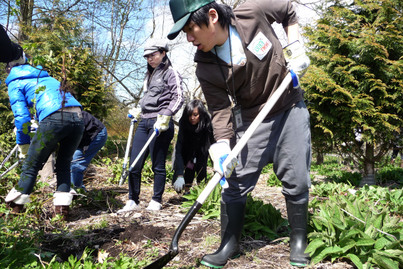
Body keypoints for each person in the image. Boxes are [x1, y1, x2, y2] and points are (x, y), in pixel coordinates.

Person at [168, 0, 311, 267]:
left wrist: (295, 47)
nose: (188, 39)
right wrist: (222, 145)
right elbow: (220, 108)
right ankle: (228, 243)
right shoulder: (205, 66)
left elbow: (288, 10)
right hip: (250, 117)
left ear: (212, 16)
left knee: (297, 177)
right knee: (233, 181)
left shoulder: (252, 11)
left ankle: (299, 239)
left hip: (288, 106)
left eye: (190, 29)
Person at [4, 48, 84, 220]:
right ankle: (61, 214)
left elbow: (22, 118)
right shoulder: (46, 77)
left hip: (54, 118)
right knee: (64, 164)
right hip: (78, 118)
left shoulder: (15, 82)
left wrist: (24, 143)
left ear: (9, 69)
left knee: (31, 166)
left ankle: (13, 216)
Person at [118, 39, 184, 212]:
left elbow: (178, 97)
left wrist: (166, 115)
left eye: (153, 55)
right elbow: (147, 98)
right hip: (144, 121)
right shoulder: (149, 75)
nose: (150, 59)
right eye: (147, 56)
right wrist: (138, 109)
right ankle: (133, 200)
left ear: (163, 53)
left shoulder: (171, 72)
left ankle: (156, 200)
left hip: (160, 122)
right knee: (134, 163)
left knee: (158, 164)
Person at [172, 99, 215, 194]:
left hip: (202, 148)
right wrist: (179, 174)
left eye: (195, 115)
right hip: (187, 149)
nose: (192, 118)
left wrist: (216, 165)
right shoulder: (184, 122)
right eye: (189, 115)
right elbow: (179, 148)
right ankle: (186, 191)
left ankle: (202, 191)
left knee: (201, 167)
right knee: (189, 166)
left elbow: (212, 144)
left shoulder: (207, 123)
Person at [70, 111, 108, 191]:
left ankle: (77, 191)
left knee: (76, 163)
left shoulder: (68, 115)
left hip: (95, 134)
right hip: (82, 134)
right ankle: (74, 188)